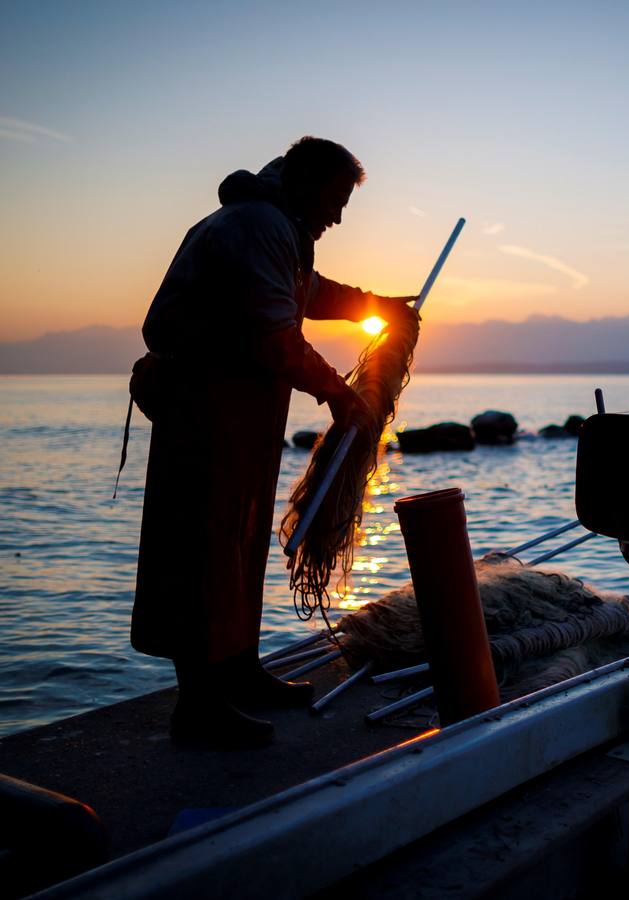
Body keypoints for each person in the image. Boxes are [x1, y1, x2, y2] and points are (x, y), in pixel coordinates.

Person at [130, 137, 417, 748]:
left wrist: (377, 306)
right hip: (202, 411)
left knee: (238, 545)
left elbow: (308, 293)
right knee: (201, 552)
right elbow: (273, 332)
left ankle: (239, 672)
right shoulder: (257, 225)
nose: (338, 216)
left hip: (242, 418)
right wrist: (341, 395)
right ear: (307, 181)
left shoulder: (280, 226)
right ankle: (199, 707)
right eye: (336, 200)